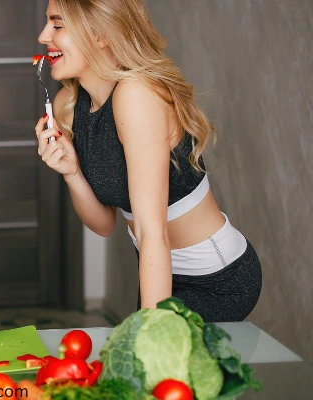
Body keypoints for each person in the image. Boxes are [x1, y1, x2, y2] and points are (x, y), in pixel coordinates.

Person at [34, 0, 261, 322]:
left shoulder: (136, 95)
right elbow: (103, 224)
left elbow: (151, 228)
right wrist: (72, 174)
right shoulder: (68, 105)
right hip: (157, 267)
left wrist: (150, 329)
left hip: (216, 277)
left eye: (57, 25)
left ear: (101, 35)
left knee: (156, 364)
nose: (44, 35)